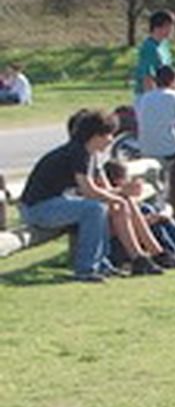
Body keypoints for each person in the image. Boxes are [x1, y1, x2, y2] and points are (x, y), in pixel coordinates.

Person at [17, 110, 118, 281]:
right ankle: (86, 269)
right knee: (94, 209)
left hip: (54, 203)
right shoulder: (78, 152)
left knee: (99, 207)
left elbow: (92, 190)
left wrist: (114, 198)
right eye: (109, 134)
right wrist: (118, 199)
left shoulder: (86, 153)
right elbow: (89, 190)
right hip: (37, 209)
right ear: (95, 135)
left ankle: (102, 264)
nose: (111, 140)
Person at [134, 10, 175, 94]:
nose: (172, 30)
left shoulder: (165, 45)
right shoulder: (149, 48)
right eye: (168, 26)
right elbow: (147, 77)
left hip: (164, 92)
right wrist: (153, 98)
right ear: (157, 27)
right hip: (148, 95)